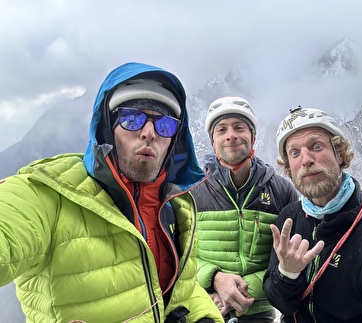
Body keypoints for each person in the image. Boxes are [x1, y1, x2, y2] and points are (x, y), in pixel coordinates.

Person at [0, 62, 224, 323]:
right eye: (132, 119)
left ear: (174, 139)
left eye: (164, 125)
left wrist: (206, 318)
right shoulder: (50, 191)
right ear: (108, 127)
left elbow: (180, 288)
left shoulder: (177, 207)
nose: (149, 133)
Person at [263, 107, 362, 322]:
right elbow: (281, 303)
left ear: (339, 153)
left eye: (316, 146)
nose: (306, 159)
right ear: (289, 168)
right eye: (294, 153)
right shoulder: (290, 218)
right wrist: (287, 273)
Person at [191, 97, 299, 322]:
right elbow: (178, 255)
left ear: (253, 136)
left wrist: (239, 290)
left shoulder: (281, 190)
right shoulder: (193, 191)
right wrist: (215, 279)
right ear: (213, 141)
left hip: (258, 312)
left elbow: (290, 257)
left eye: (239, 127)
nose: (231, 135)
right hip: (205, 308)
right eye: (221, 129)